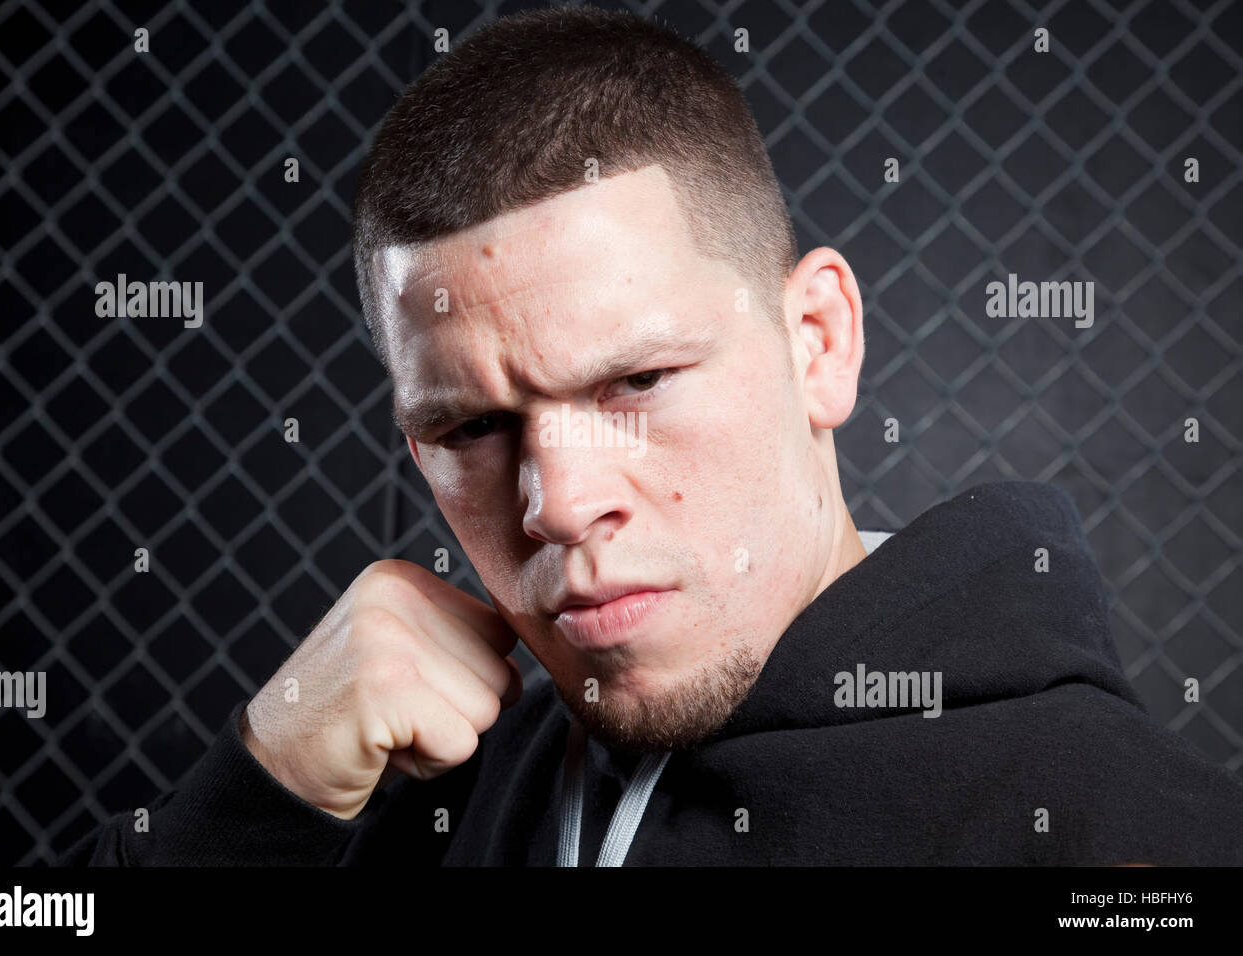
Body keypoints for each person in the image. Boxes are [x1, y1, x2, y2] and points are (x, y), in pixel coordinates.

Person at [60, 6, 1243, 866]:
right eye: (471, 424)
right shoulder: (414, 803)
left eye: (636, 377)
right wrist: (255, 792)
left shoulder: (1128, 837)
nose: (558, 504)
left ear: (818, 340)